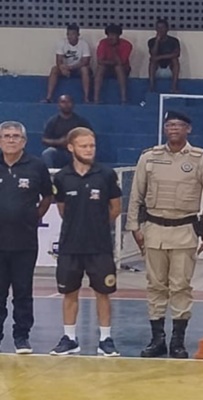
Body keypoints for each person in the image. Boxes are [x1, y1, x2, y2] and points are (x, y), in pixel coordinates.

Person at [126, 111, 203, 359]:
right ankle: (157, 339)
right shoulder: (149, 157)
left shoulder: (201, 159)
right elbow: (135, 194)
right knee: (155, 285)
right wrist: (133, 226)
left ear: (188, 129)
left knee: (180, 286)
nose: (174, 129)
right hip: (154, 230)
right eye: (169, 125)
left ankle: (177, 341)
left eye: (179, 125)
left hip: (185, 231)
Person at [49, 127, 122, 356]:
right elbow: (63, 211)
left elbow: (115, 209)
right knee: (69, 292)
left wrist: (96, 226)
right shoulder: (61, 177)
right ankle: (70, 338)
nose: (89, 150)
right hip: (70, 246)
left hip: (99, 246)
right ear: (71, 147)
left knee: (103, 292)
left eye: (92, 145)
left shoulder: (107, 174)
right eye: (84, 145)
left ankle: (105, 339)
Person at [0, 121, 53, 354]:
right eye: (6, 136)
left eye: (15, 136)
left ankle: (22, 337)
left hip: (24, 242)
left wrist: (33, 216)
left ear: (24, 141)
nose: (10, 140)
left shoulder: (36, 166)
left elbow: (48, 196)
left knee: (23, 291)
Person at [43, 23, 91, 104]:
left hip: (77, 68)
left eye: (73, 34)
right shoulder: (62, 43)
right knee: (54, 69)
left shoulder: (84, 44)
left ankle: (86, 98)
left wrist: (71, 68)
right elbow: (59, 60)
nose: (70, 36)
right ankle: (49, 97)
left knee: (85, 70)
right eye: (68, 34)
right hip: (65, 69)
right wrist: (62, 68)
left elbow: (86, 61)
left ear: (78, 35)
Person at [41, 95, 92, 169]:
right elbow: (44, 139)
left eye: (69, 102)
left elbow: (91, 136)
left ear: (73, 104)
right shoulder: (53, 121)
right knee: (47, 153)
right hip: (58, 151)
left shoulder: (81, 121)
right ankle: (49, 177)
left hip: (76, 151)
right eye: (63, 102)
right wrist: (59, 142)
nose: (66, 105)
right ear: (58, 105)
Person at [94, 24, 133, 104]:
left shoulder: (127, 44)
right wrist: (111, 62)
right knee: (100, 68)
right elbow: (100, 61)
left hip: (123, 69)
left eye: (113, 35)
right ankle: (96, 99)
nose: (110, 37)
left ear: (118, 36)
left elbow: (121, 62)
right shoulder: (103, 43)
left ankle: (123, 99)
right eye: (109, 35)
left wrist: (114, 50)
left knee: (118, 67)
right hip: (107, 68)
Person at [148, 19, 181, 93]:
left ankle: (174, 87)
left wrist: (160, 57)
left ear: (167, 29)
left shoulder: (174, 41)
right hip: (157, 68)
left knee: (175, 60)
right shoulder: (151, 41)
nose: (160, 30)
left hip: (170, 68)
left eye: (162, 27)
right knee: (152, 61)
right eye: (158, 28)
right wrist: (157, 41)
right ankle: (151, 86)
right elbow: (153, 54)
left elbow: (176, 54)